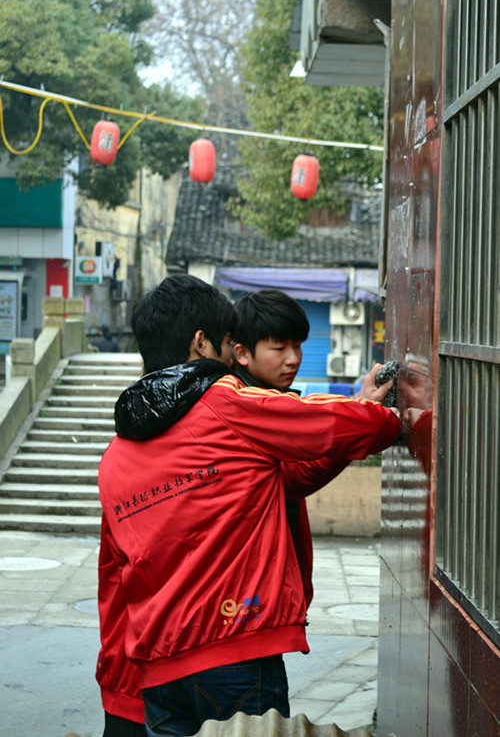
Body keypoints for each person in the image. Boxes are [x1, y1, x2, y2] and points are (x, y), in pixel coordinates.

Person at [97, 274, 401, 737]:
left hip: (158, 668)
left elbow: (114, 579)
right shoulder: (224, 403)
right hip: (235, 648)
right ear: (201, 343)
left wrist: (120, 687)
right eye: (227, 344)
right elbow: (325, 423)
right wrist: (384, 417)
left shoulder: (116, 455)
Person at [232, 288, 351, 608]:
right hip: (253, 591)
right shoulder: (244, 410)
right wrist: (364, 421)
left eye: (297, 346)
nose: (294, 359)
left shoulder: (269, 400)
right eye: (279, 348)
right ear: (242, 353)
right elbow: (298, 475)